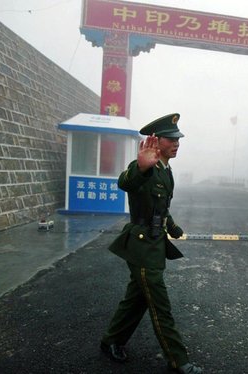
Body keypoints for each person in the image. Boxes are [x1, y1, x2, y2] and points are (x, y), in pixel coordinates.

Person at [100, 113, 202, 374]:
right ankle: (178, 361)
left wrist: (173, 227)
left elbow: (160, 209)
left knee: (137, 299)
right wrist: (141, 166)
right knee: (160, 305)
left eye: (178, 139)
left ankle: (112, 340)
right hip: (143, 247)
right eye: (171, 139)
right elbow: (126, 182)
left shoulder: (167, 171)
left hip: (155, 245)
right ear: (156, 142)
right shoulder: (146, 167)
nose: (177, 143)